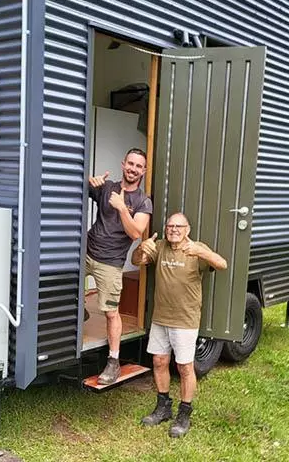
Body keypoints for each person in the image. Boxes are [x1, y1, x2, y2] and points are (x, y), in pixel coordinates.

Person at [133, 212, 227, 437]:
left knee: (185, 367)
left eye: (179, 226)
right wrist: (141, 249)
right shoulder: (160, 246)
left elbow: (222, 264)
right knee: (159, 361)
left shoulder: (197, 248)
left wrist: (201, 252)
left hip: (185, 319)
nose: (173, 229)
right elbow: (137, 262)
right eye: (170, 226)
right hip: (160, 318)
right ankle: (163, 406)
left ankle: (184, 413)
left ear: (188, 229)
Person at [86, 148, 153, 385]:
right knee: (60, 282)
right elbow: (85, 189)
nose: (133, 169)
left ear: (143, 171)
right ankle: (79, 311)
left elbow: (135, 232)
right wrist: (91, 182)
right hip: (86, 251)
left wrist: (122, 207)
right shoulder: (108, 187)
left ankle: (113, 362)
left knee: (110, 312)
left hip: (111, 263)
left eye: (138, 166)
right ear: (123, 164)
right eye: (130, 164)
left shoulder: (144, 202)